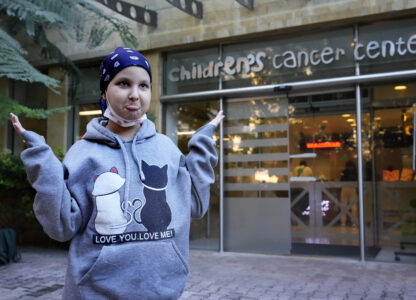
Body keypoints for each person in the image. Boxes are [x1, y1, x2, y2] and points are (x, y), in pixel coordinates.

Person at [10, 46, 224, 299]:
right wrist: (42, 161)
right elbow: (61, 227)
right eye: (124, 83)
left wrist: (202, 145)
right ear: (104, 90)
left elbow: (196, 206)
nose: (135, 94)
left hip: (162, 290)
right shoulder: (83, 154)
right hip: (94, 292)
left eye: (144, 86)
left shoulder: (166, 148)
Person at [340, 160, 358, 226]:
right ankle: (354, 222)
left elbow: (341, 180)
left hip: (344, 188)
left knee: (344, 205)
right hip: (352, 188)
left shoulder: (344, 171)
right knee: (354, 206)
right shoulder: (355, 172)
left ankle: (343, 222)